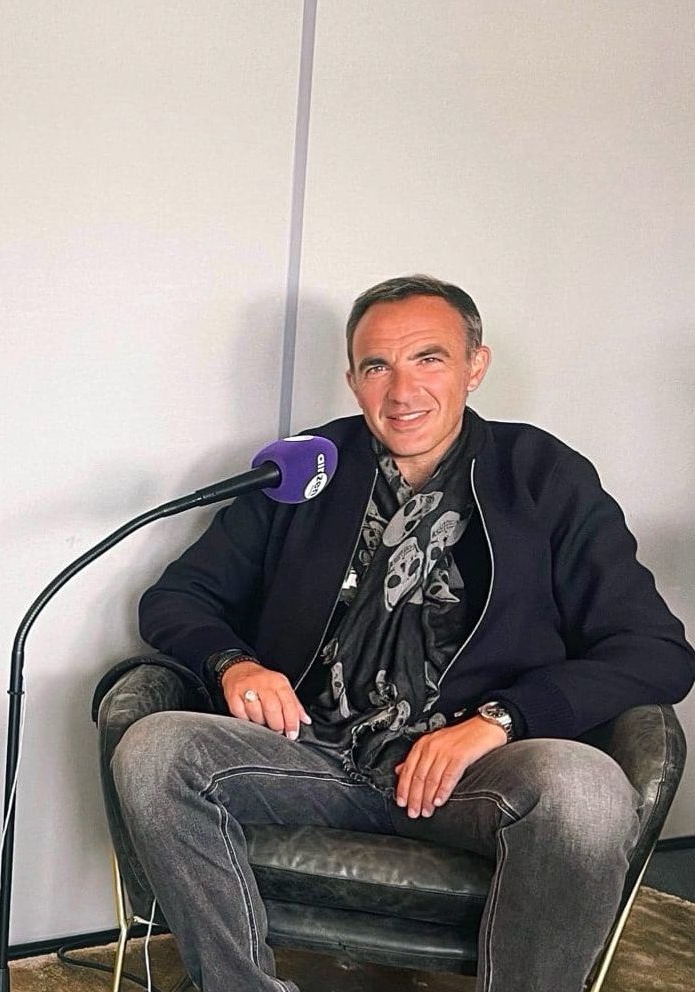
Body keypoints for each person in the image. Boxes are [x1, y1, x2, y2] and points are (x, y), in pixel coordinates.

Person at [110, 275, 694, 992]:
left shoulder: (543, 476)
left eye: (429, 358)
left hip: (468, 776)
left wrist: (500, 721)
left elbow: (656, 652)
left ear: (475, 366)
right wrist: (235, 664)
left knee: (585, 790)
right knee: (156, 751)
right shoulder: (307, 469)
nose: (401, 390)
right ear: (352, 379)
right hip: (309, 756)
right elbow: (178, 597)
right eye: (377, 366)